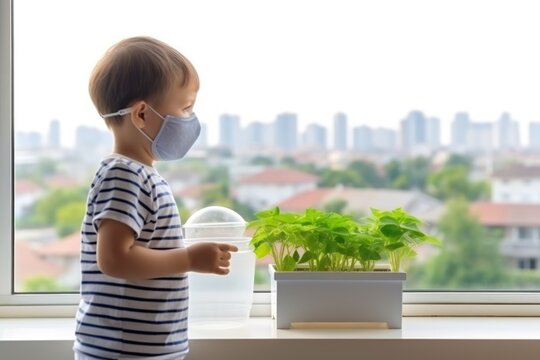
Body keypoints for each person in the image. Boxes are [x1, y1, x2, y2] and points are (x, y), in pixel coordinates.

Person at [73, 36, 238, 360]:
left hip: (140, 350)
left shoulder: (141, 174)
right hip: (122, 352)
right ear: (142, 114)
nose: (190, 119)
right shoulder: (124, 175)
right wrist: (189, 260)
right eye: (186, 107)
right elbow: (114, 259)